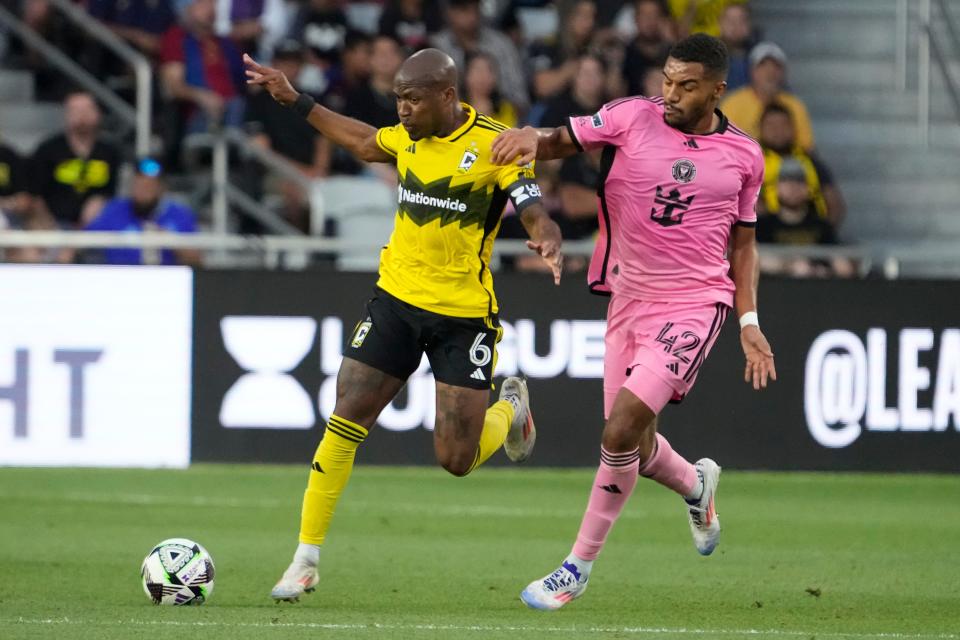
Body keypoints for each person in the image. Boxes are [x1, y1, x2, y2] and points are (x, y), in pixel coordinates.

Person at [243, 47, 564, 602]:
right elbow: (366, 141)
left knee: (455, 459)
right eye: (398, 99)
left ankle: (511, 407)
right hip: (395, 299)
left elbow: (529, 201)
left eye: (413, 99)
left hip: (464, 316)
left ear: (447, 95)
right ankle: (305, 558)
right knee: (346, 416)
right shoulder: (407, 136)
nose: (404, 110)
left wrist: (545, 230)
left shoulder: (496, 142)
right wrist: (296, 100)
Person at [490, 33, 776, 610]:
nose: (670, 93)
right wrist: (528, 138)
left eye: (686, 85)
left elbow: (743, 247)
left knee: (619, 429)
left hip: (697, 302)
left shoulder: (746, 156)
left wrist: (748, 319)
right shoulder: (629, 117)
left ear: (718, 90)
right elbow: (562, 139)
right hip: (627, 299)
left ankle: (576, 568)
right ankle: (697, 485)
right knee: (636, 450)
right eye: (667, 80)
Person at [84, 158, 201, 266]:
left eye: (148, 186)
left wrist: (169, 240)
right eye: (138, 185)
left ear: (160, 188)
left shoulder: (179, 215)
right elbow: (84, 239)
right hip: (119, 278)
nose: (142, 192)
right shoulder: (116, 210)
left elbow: (197, 259)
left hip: (165, 280)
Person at [29, 91, 121, 227]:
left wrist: (102, 202)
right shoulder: (47, 149)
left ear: (98, 114)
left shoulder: (110, 152)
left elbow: (116, 194)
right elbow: (35, 196)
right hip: (56, 225)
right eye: (75, 110)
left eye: (87, 109)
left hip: (98, 225)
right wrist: (49, 227)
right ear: (66, 115)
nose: (82, 116)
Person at [159, 0, 247, 134]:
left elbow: (248, 79)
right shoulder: (176, 38)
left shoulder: (226, 43)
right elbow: (173, 86)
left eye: (213, 4)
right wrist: (201, 96)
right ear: (188, 8)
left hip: (235, 106)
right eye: (204, 3)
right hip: (199, 113)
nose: (211, 9)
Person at [431, 0, 529, 112]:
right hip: (451, 120)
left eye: (475, 8)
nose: (472, 16)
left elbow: (520, 99)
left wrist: (496, 107)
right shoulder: (436, 47)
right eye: (464, 9)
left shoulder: (501, 44)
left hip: (501, 117)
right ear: (449, 12)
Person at [757, 102, 845, 227]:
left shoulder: (811, 162)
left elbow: (835, 204)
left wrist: (824, 233)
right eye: (771, 125)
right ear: (760, 129)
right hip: (767, 236)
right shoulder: (750, 164)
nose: (778, 130)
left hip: (811, 235)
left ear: (794, 128)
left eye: (783, 125)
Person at [721, 41, 815, 150]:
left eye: (776, 67)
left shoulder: (794, 105)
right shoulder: (733, 104)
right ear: (751, 71)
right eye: (763, 66)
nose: (770, 72)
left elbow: (806, 147)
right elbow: (723, 147)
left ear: (783, 73)